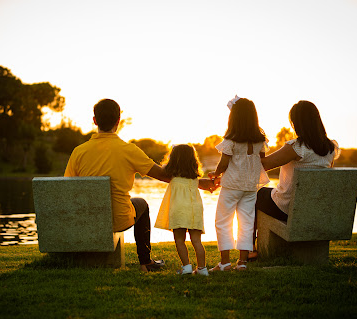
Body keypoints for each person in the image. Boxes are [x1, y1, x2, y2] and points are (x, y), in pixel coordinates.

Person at [64, 99, 215, 272]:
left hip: (88, 218)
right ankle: (145, 262)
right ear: (118, 121)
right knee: (141, 203)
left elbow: (69, 188)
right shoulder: (129, 150)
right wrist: (201, 183)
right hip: (119, 219)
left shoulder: (79, 152)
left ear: (95, 120)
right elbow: (164, 176)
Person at [254, 100, 340, 258]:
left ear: (296, 123)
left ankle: (252, 250)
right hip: (315, 210)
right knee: (267, 193)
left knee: (256, 195)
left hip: (288, 208)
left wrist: (259, 144)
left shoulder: (297, 147)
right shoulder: (330, 148)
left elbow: (263, 165)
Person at [208, 96, 269, 271]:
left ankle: (225, 262)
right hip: (250, 187)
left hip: (231, 186)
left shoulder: (231, 140)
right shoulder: (260, 140)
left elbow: (224, 163)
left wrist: (216, 173)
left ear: (233, 118)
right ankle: (242, 262)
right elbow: (261, 161)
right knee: (247, 222)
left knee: (223, 221)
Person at [154, 144, 209, 276]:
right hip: (194, 209)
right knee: (197, 241)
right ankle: (202, 269)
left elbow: (162, 168)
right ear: (193, 160)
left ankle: (186, 267)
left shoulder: (172, 175)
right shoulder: (195, 178)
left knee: (180, 240)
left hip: (179, 209)